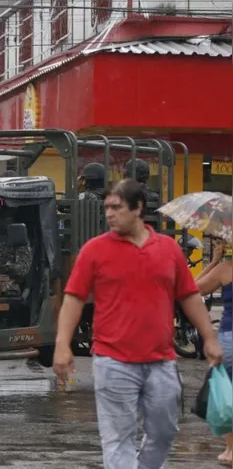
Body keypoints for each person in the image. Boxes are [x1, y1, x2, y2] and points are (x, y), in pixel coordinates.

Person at [52, 179, 224, 469]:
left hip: (161, 362)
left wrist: (209, 338)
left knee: (164, 432)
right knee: (118, 438)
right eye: (106, 207)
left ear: (138, 208)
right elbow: (73, 299)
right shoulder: (94, 250)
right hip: (112, 361)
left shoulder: (168, 250)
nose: (109, 213)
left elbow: (190, 296)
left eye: (116, 207)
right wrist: (61, 345)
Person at [193, 239, 232, 465]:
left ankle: (231, 449)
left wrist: (215, 261)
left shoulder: (226, 269)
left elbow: (192, 290)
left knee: (227, 394)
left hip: (230, 340)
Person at [0, 209, 32, 297]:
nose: (3, 222)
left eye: (7, 219)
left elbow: (23, 269)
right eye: (1, 218)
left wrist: (8, 266)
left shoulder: (18, 237)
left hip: (8, 279)